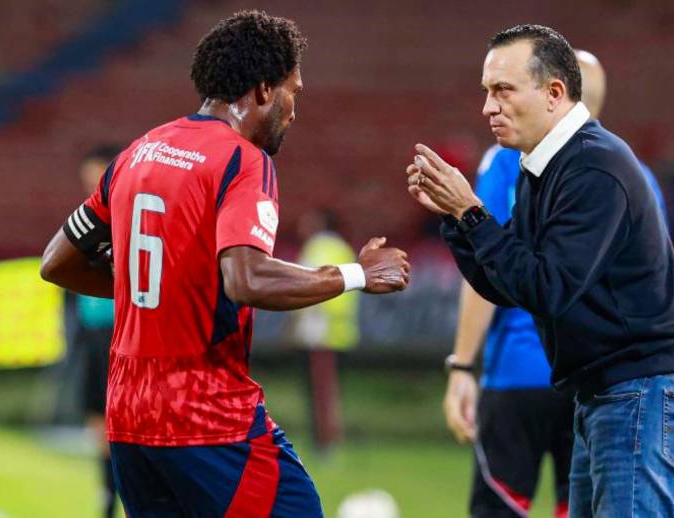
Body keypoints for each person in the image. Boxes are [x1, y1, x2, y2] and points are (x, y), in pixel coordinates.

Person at [40, 10, 410, 517]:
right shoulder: (242, 160)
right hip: (207, 415)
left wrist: (166, 285)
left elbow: (57, 262)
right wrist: (358, 274)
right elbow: (247, 277)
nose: (294, 111)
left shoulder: (138, 152)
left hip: (128, 416)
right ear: (263, 90)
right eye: (293, 92)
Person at [408, 24, 674, 517]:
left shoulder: (593, 167)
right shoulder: (541, 166)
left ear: (554, 93)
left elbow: (549, 288)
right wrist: (457, 219)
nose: (488, 107)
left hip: (641, 389)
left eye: (502, 90)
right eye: (486, 91)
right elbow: (511, 285)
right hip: (605, 390)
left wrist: (473, 214)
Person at [76, 144, 121, 518]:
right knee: (96, 419)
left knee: (118, 422)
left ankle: (116, 495)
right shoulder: (86, 217)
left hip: (120, 331)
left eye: (99, 173)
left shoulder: (127, 216)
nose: (92, 182)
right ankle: (108, 493)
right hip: (90, 336)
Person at [293, 208, 360, 453]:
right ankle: (327, 442)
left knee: (321, 394)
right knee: (328, 393)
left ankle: (325, 445)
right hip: (339, 333)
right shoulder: (342, 247)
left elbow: (305, 289)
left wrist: (301, 326)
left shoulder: (318, 248)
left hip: (321, 333)